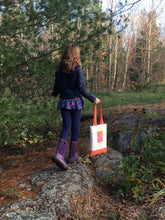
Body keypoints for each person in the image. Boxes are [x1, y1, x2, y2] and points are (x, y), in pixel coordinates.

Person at [51, 44, 100, 170]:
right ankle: (72, 156)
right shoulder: (77, 68)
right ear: (75, 54)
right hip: (76, 102)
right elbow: (81, 88)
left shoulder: (59, 69)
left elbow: (56, 88)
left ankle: (59, 153)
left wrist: (54, 93)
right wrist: (93, 98)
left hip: (64, 102)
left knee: (66, 127)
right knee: (75, 128)